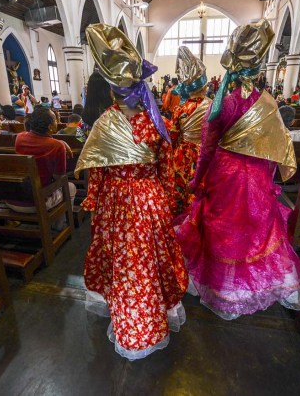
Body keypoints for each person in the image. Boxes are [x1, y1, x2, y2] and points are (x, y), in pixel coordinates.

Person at [174, 20, 300, 320]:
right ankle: (244, 288)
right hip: (257, 178)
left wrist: (196, 182)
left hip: (225, 177)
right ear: (259, 70)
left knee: (222, 231)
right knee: (250, 230)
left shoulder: (222, 105)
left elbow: (207, 151)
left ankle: (222, 287)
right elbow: (275, 147)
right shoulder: (269, 104)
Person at [76, 23, 187, 360]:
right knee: (149, 261)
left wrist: (94, 201)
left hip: (116, 204)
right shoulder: (159, 122)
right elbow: (166, 170)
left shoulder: (104, 123)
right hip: (150, 200)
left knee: (124, 263)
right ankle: (151, 317)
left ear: (112, 90)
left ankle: (129, 318)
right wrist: (168, 201)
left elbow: (97, 173)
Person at [169, 46, 211, 216]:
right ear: (204, 86)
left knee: (181, 189)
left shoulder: (181, 108)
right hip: (206, 156)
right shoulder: (212, 106)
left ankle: (181, 223)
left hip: (183, 155)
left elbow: (173, 134)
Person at [14, 106, 76, 211]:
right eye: (55, 120)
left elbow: (40, 139)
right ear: (50, 127)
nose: (57, 122)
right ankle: (60, 225)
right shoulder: (56, 146)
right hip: (38, 202)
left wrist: (60, 141)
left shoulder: (19, 137)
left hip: (15, 198)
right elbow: (59, 179)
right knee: (70, 187)